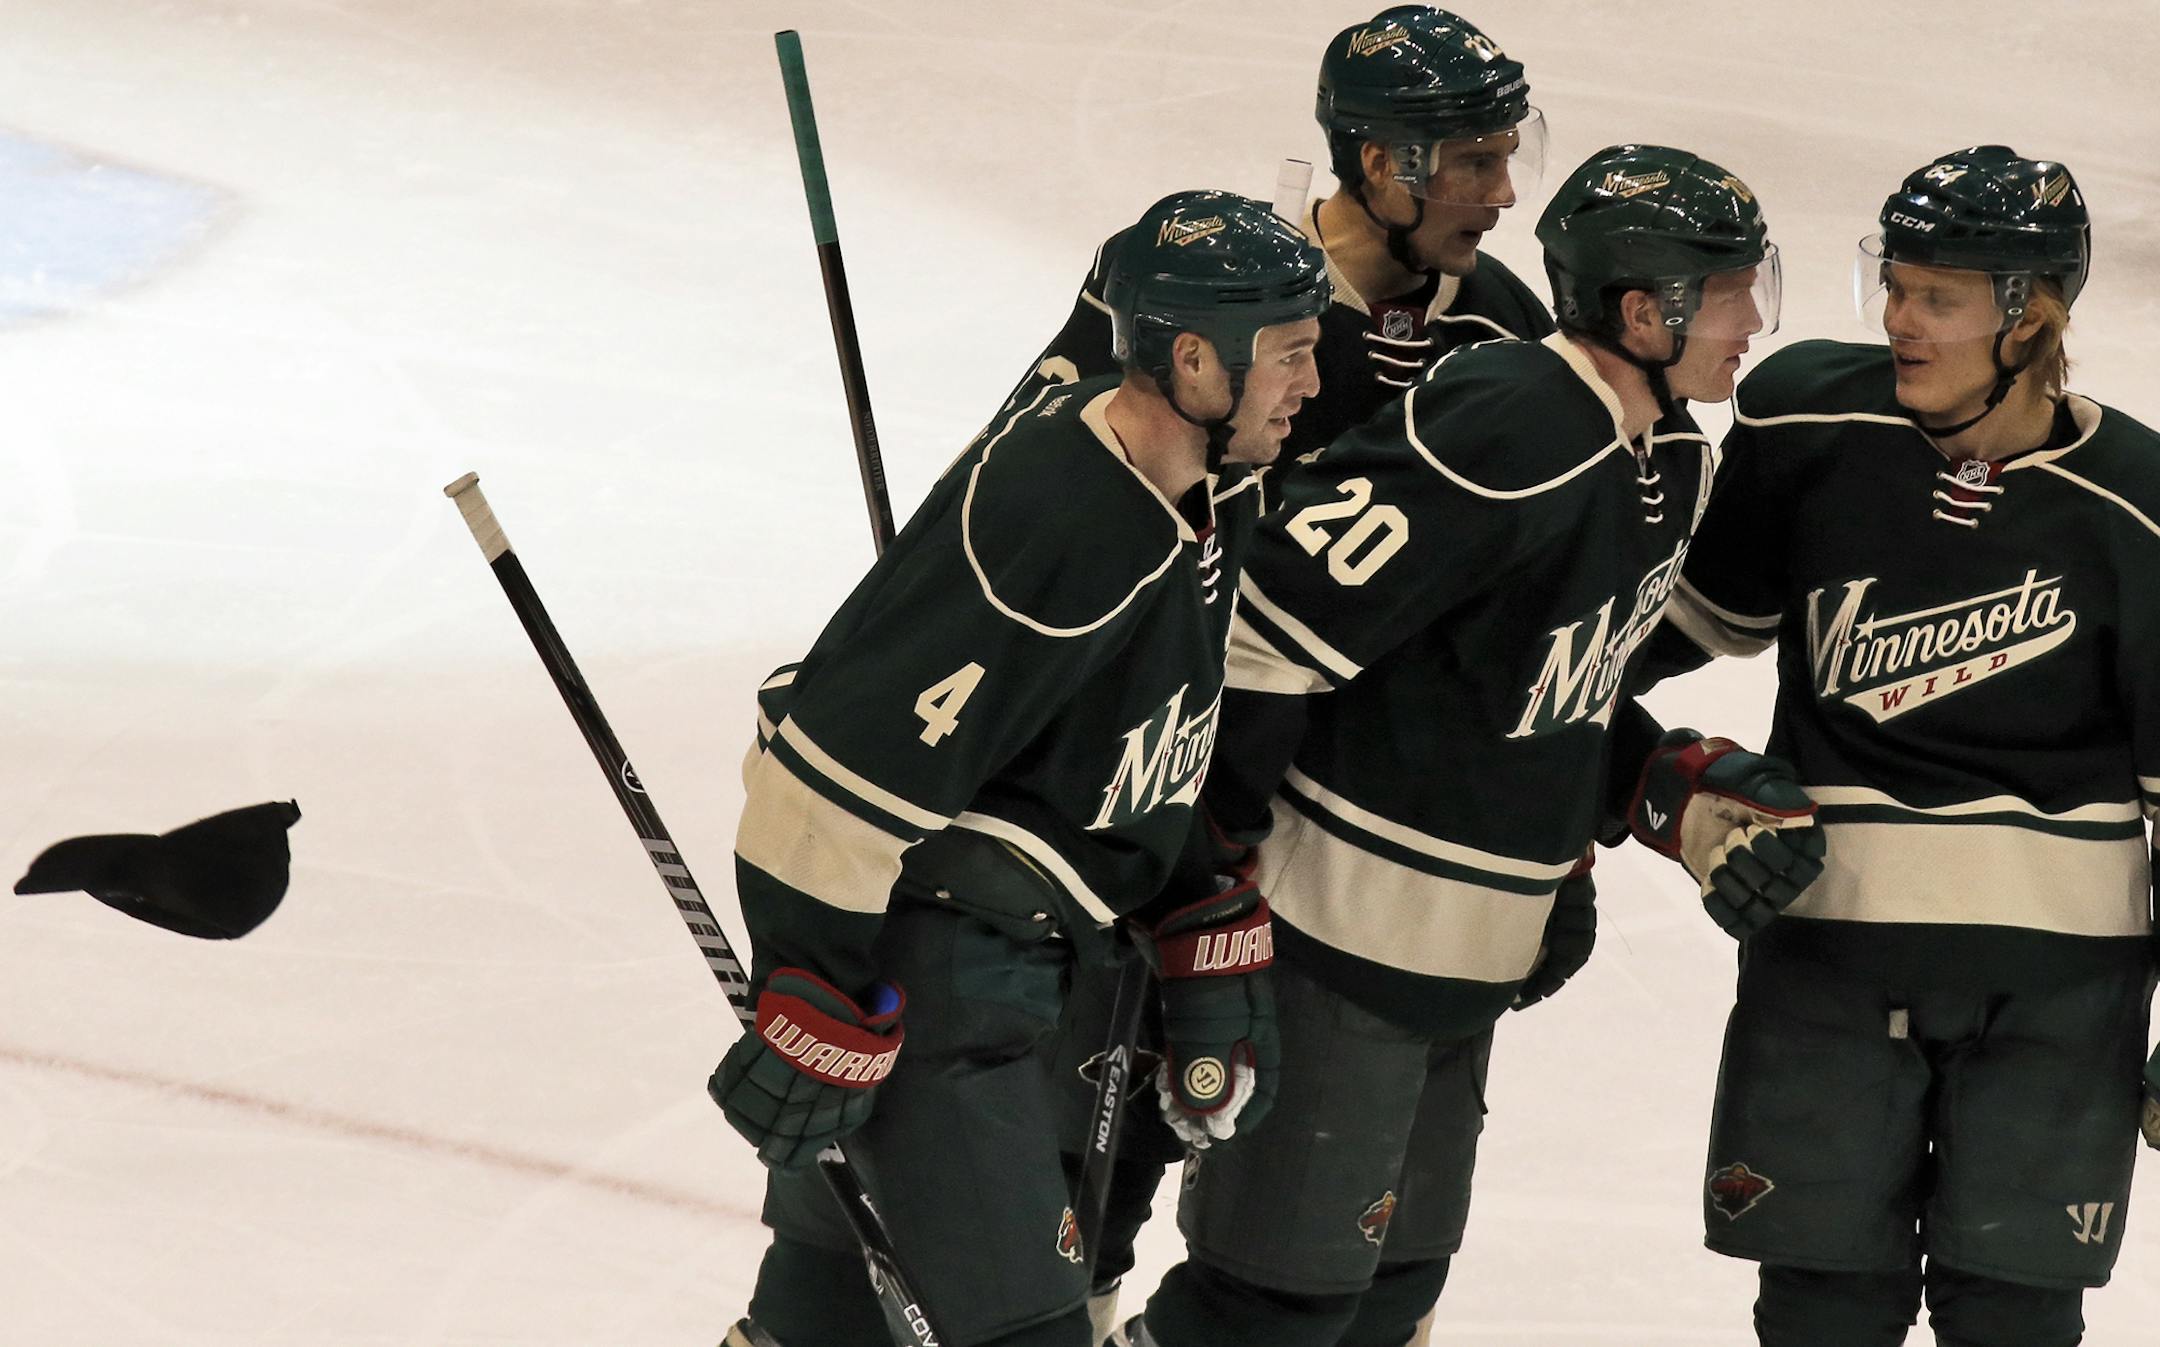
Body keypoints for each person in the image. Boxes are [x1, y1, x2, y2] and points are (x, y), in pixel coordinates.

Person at [1120, 145, 1822, 1347]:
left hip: (1458, 961)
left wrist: (1627, 810)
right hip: (1332, 933)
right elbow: (1265, 628)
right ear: (1647, 309)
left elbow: (1535, 685)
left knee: (1389, 1297)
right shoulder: (1510, 414)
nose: (1756, 320)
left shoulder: (1671, 455)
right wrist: (1210, 882)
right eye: (1733, 290)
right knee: (1268, 1311)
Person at [1010, 11, 1559, 1331]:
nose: (1502, 190)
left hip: (1324, 865)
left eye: (1505, 154)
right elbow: (1036, 490)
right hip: (1148, 803)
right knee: (1084, 1169)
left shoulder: (1501, 332)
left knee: (1307, 1217)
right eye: (1472, 160)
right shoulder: (1219, 293)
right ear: (1378, 160)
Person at [713, 190, 1329, 1347]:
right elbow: (824, 777)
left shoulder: (1211, 485)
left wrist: (1192, 896)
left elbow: (1146, 741)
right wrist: (815, 998)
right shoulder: (1056, 513)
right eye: (1291, 355)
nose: (1311, 383)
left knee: (821, 1318)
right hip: (932, 983)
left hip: (1025, 961)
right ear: (1196, 359)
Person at [1643, 145, 2160, 1347]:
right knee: (1820, 1309)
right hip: (1828, 950)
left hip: (2061, 984)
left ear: (2030, 317)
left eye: (1941, 297)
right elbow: (1661, 631)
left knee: (2015, 1320)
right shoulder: (1809, 420)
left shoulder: (2137, 506)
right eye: (1896, 283)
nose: (1900, 320)